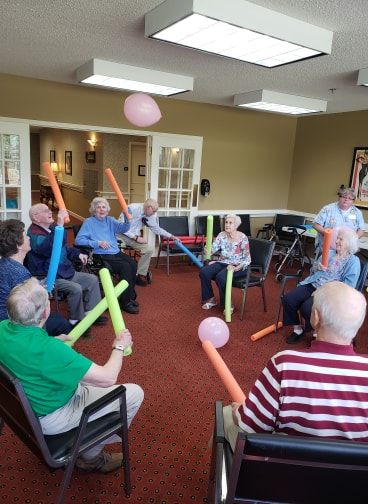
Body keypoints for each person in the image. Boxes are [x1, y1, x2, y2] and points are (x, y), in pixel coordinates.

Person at [0, 277, 144, 472]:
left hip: (30, 409)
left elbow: (28, 349)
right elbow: (108, 378)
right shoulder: (49, 350)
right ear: (45, 312)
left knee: (85, 379)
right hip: (54, 415)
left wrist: (51, 341)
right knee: (134, 393)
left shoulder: (3, 329)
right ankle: (91, 458)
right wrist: (119, 346)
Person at [223, 281, 368, 451]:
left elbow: (251, 426)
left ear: (315, 317)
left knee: (226, 415)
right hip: (352, 477)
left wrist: (238, 410)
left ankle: (223, 475)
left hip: (284, 474)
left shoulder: (285, 364)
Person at [26, 204, 107, 327]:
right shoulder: (34, 234)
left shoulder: (51, 228)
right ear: (36, 218)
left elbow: (63, 248)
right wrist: (59, 226)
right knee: (76, 288)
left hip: (64, 270)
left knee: (92, 279)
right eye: (46, 211)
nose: (50, 212)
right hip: (49, 276)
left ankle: (92, 313)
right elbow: (48, 250)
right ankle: (76, 320)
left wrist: (77, 254)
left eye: (49, 210)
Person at [282, 226, 360, 344]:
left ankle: (317, 333)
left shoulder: (353, 261)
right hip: (313, 284)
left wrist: (324, 290)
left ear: (349, 243)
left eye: (341, 239)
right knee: (289, 299)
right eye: (337, 238)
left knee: (307, 309)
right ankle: (298, 330)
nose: (337, 241)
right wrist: (317, 267)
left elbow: (348, 285)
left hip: (329, 292)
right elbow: (313, 271)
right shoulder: (329, 253)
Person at [0, 219, 72, 336]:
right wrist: (43, 292)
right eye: (25, 235)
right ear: (18, 245)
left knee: (56, 318)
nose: (28, 237)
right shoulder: (19, 273)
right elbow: (31, 308)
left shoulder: (5, 262)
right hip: (13, 325)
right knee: (61, 323)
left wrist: (38, 285)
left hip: (8, 319)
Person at [75, 197, 139, 314]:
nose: (101, 209)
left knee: (133, 264)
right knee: (126, 267)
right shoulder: (89, 222)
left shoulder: (110, 220)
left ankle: (129, 296)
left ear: (107, 209)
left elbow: (124, 228)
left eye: (103, 207)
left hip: (115, 252)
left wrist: (127, 218)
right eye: (98, 207)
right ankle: (125, 302)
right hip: (101, 255)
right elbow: (78, 240)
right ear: (94, 210)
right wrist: (97, 243)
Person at [118, 199, 179, 286]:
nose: (154, 213)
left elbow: (156, 229)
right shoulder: (131, 208)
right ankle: (122, 274)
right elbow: (121, 227)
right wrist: (136, 238)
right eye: (154, 211)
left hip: (135, 237)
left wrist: (171, 236)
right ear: (148, 208)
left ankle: (139, 275)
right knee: (119, 251)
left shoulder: (149, 215)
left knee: (149, 249)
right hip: (121, 235)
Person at [199, 214, 251, 311]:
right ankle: (211, 299)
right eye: (226, 222)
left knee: (220, 277)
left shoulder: (242, 238)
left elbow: (247, 259)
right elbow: (213, 249)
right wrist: (208, 250)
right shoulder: (222, 235)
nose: (227, 225)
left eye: (230, 223)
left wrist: (236, 268)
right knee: (204, 271)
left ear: (236, 225)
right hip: (223, 262)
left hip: (238, 265)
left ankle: (227, 304)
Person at [313, 187, 365, 256]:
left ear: (353, 201)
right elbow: (316, 224)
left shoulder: (357, 212)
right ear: (339, 197)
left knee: (343, 266)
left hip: (346, 249)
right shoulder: (328, 209)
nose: (346, 200)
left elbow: (361, 229)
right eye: (344, 197)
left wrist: (352, 239)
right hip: (326, 247)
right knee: (323, 266)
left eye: (350, 198)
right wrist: (327, 234)